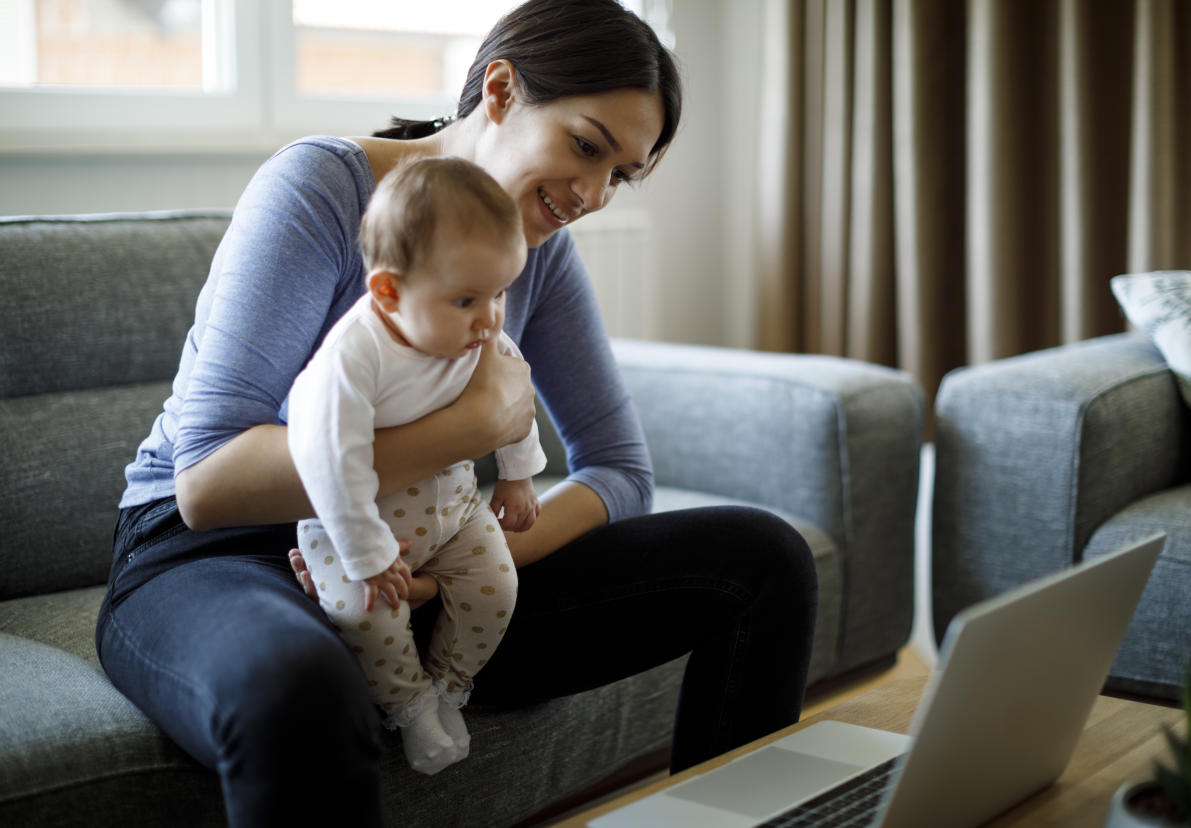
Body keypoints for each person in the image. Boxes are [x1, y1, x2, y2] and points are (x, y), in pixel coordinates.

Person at [95, 0, 818, 824]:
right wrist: (469, 429)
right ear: (502, 90)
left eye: (618, 173)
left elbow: (621, 472)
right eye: (585, 146)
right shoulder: (322, 190)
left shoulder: (541, 254)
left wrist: (454, 572)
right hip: (214, 558)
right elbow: (209, 483)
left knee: (762, 559)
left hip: (413, 553)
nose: (589, 193)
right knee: (302, 686)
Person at [287, 156, 543, 775]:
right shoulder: (352, 360)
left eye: (501, 293)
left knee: (499, 586)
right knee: (362, 612)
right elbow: (327, 464)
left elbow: (516, 395)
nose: (490, 319)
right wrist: (366, 551)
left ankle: (450, 684)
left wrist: (517, 471)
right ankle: (409, 705)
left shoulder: (478, 332)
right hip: (359, 524)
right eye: (466, 300)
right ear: (388, 291)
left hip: (454, 510)